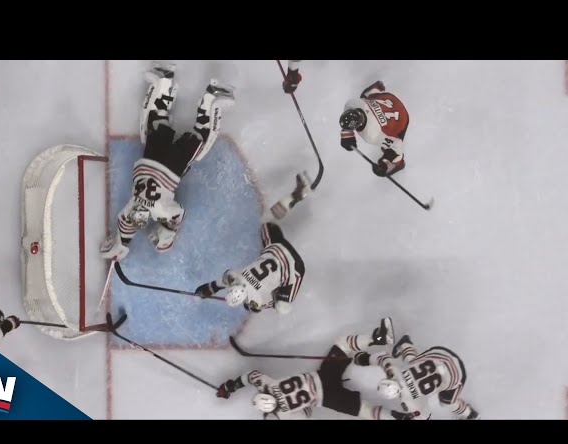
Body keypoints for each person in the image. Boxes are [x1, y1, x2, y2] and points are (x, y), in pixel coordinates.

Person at [100, 61, 235, 261]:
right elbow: (125, 228)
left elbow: (178, 214)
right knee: (155, 125)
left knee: (201, 141)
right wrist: (121, 246)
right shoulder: (131, 208)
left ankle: (212, 98)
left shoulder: (160, 211)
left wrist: (166, 235)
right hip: (150, 160)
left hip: (173, 167)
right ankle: (163, 80)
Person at [216, 318, 412, 420]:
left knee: (365, 411)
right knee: (343, 345)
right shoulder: (267, 384)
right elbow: (250, 376)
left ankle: (397, 418)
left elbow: (307, 414)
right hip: (324, 376)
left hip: (327, 398)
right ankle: (378, 337)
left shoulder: (283, 416)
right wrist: (230, 386)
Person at [194, 170, 312, 313]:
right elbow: (223, 281)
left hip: (294, 268)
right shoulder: (235, 277)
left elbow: (259, 305)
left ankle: (299, 193)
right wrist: (209, 288)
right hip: (278, 249)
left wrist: (255, 305)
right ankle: (298, 194)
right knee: (267, 220)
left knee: (282, 307)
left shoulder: (255, 299)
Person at [353, 333, 480, 420]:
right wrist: (364, 358)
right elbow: (383, 358)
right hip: (441, 354)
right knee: (412, 363)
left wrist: (410, 415)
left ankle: (470, 414)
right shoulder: (393, 371)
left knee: (447, 403)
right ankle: (406, 345)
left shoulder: (409, 402)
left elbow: (424, 416)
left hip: (457, 375)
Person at [339, 81, 410, 177]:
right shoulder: (354, 104)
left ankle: (398, 163)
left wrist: (384, 163)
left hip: (401, 119)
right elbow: (350, 117)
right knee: (365, 97)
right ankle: (376, 88)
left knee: (388, 147)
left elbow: (396, 144)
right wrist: (347, 134)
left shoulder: (372, 134)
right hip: (389, 99)